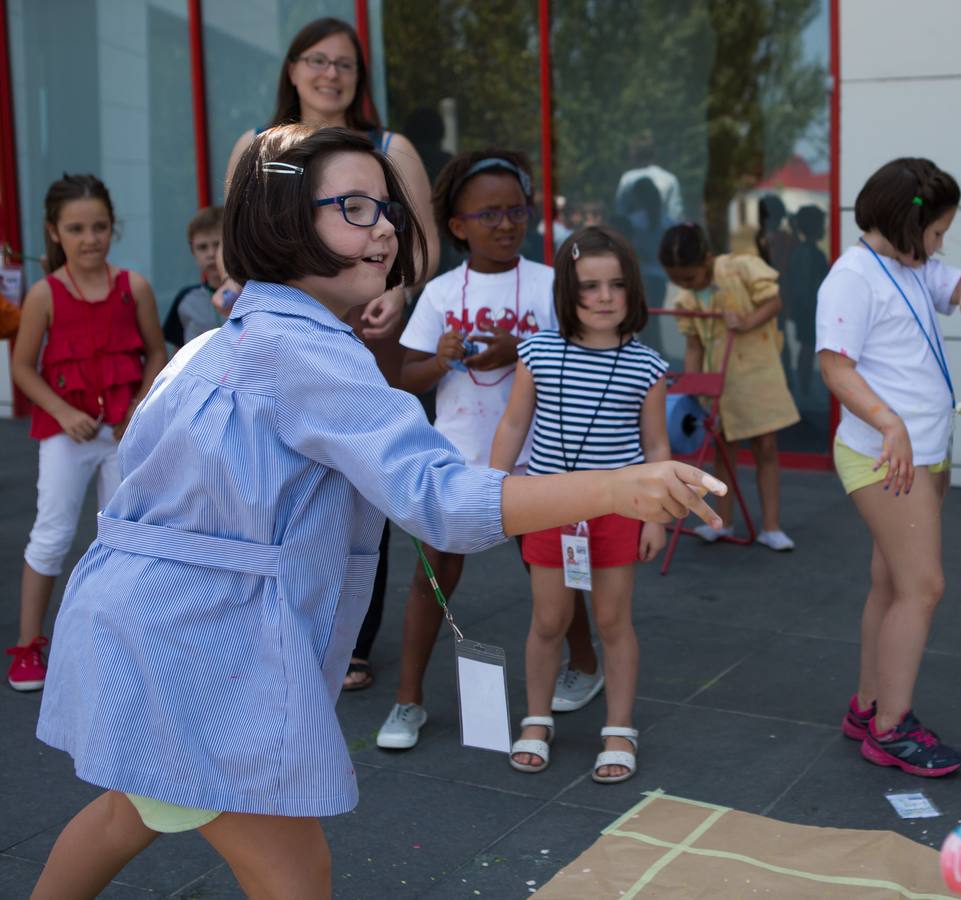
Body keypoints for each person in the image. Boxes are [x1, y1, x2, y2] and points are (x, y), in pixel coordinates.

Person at [28, 125, 724, 899]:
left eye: (386, 208)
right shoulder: (309, 354)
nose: (386, 226)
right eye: (354, 207)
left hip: (150, 630)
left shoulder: (230, 339)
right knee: (291, 871)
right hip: (205, 654)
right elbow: (441, 501)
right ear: (283, 220)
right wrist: (616, 485)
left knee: (131, 814)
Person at [223, 16, 441, 690]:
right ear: (291, 70)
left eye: (344, 63)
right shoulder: (259, 148)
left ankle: (350, 637)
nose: (329, 73)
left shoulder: (389, 147)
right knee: (271, 479)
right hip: (277, 342)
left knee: (360, 484)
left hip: (365, 336)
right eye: (315, 60)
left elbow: (421, 242)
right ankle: (268, 618)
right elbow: (238, 245)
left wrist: (399, 293)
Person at [377, 149, 602, 751]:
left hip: (541, 460)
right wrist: (445, 355)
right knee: (433, 577)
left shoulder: (553, 285)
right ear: (458, 225)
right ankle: (408, 701)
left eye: (516, 211)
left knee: (551, 575)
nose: (506, 224)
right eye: (489, 214)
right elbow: (407, 378)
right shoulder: (443, 292)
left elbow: (585, 362)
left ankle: (586, 663)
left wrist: (519, 349)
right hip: (456, 460)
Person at [817, 157, 961, 777]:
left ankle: (869, 706)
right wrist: (890, 422)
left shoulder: (909, 265)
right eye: (936, 233)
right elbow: (835, 367)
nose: (940, 246)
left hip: (921, 452)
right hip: (887, 456)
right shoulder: (854, 277)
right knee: (923, 587)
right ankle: (891, 728)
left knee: (894, 584)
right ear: (906, 226)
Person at [491, 226, 670, 784]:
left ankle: (619, 728)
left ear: (633, 291)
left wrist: (656, 517)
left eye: (617, 285)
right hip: (547, 506)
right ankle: (537, 718)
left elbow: (657, 448)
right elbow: (514, 423)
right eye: (589, 286)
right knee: (549, 620)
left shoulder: (647, 367)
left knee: (613, 620)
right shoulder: (537, 351)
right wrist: (489, 491)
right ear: (567, 291)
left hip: (620, 510)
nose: (604, 297)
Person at [7, 174, 167, 693]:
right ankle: (30, 645)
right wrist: (62, 411)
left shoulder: (133, 287)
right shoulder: (43, 295)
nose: (89, 238)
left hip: (122, 432)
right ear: (54, 232)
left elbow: (157, 353)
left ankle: (120, 642)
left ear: (112, 228)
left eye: (99, 227)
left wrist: (139, 408)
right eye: (76, 229)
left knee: (124, 537)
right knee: (51, 534)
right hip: (65, 432)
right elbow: (24, 367)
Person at [659, 222, 801, 551]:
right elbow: (693, 346)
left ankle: (771, 526)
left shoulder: (741, 267)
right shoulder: (686, 298)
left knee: (766, 447)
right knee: (723, 452)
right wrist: (690, 390)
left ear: (708, 259)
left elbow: (774, 302)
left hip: (757, 376)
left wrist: (746, 321)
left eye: (689, 277)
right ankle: (723, 522)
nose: (685, 285)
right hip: (717, 383)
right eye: (677, 280)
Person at [784, 205, 830, 400]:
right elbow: (805, 286)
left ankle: (804, 388)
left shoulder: (803, 251)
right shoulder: (809, 254)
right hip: (809, 309)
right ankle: (804, 390)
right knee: (807, 348)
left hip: (806, 308)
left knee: (807, 347)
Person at [162, 206, 225, 350]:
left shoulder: (252, 293)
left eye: (218, 244)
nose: (211, 254)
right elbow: (178, 359)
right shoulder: (185, 300)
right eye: (202, 247)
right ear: (193, 252)